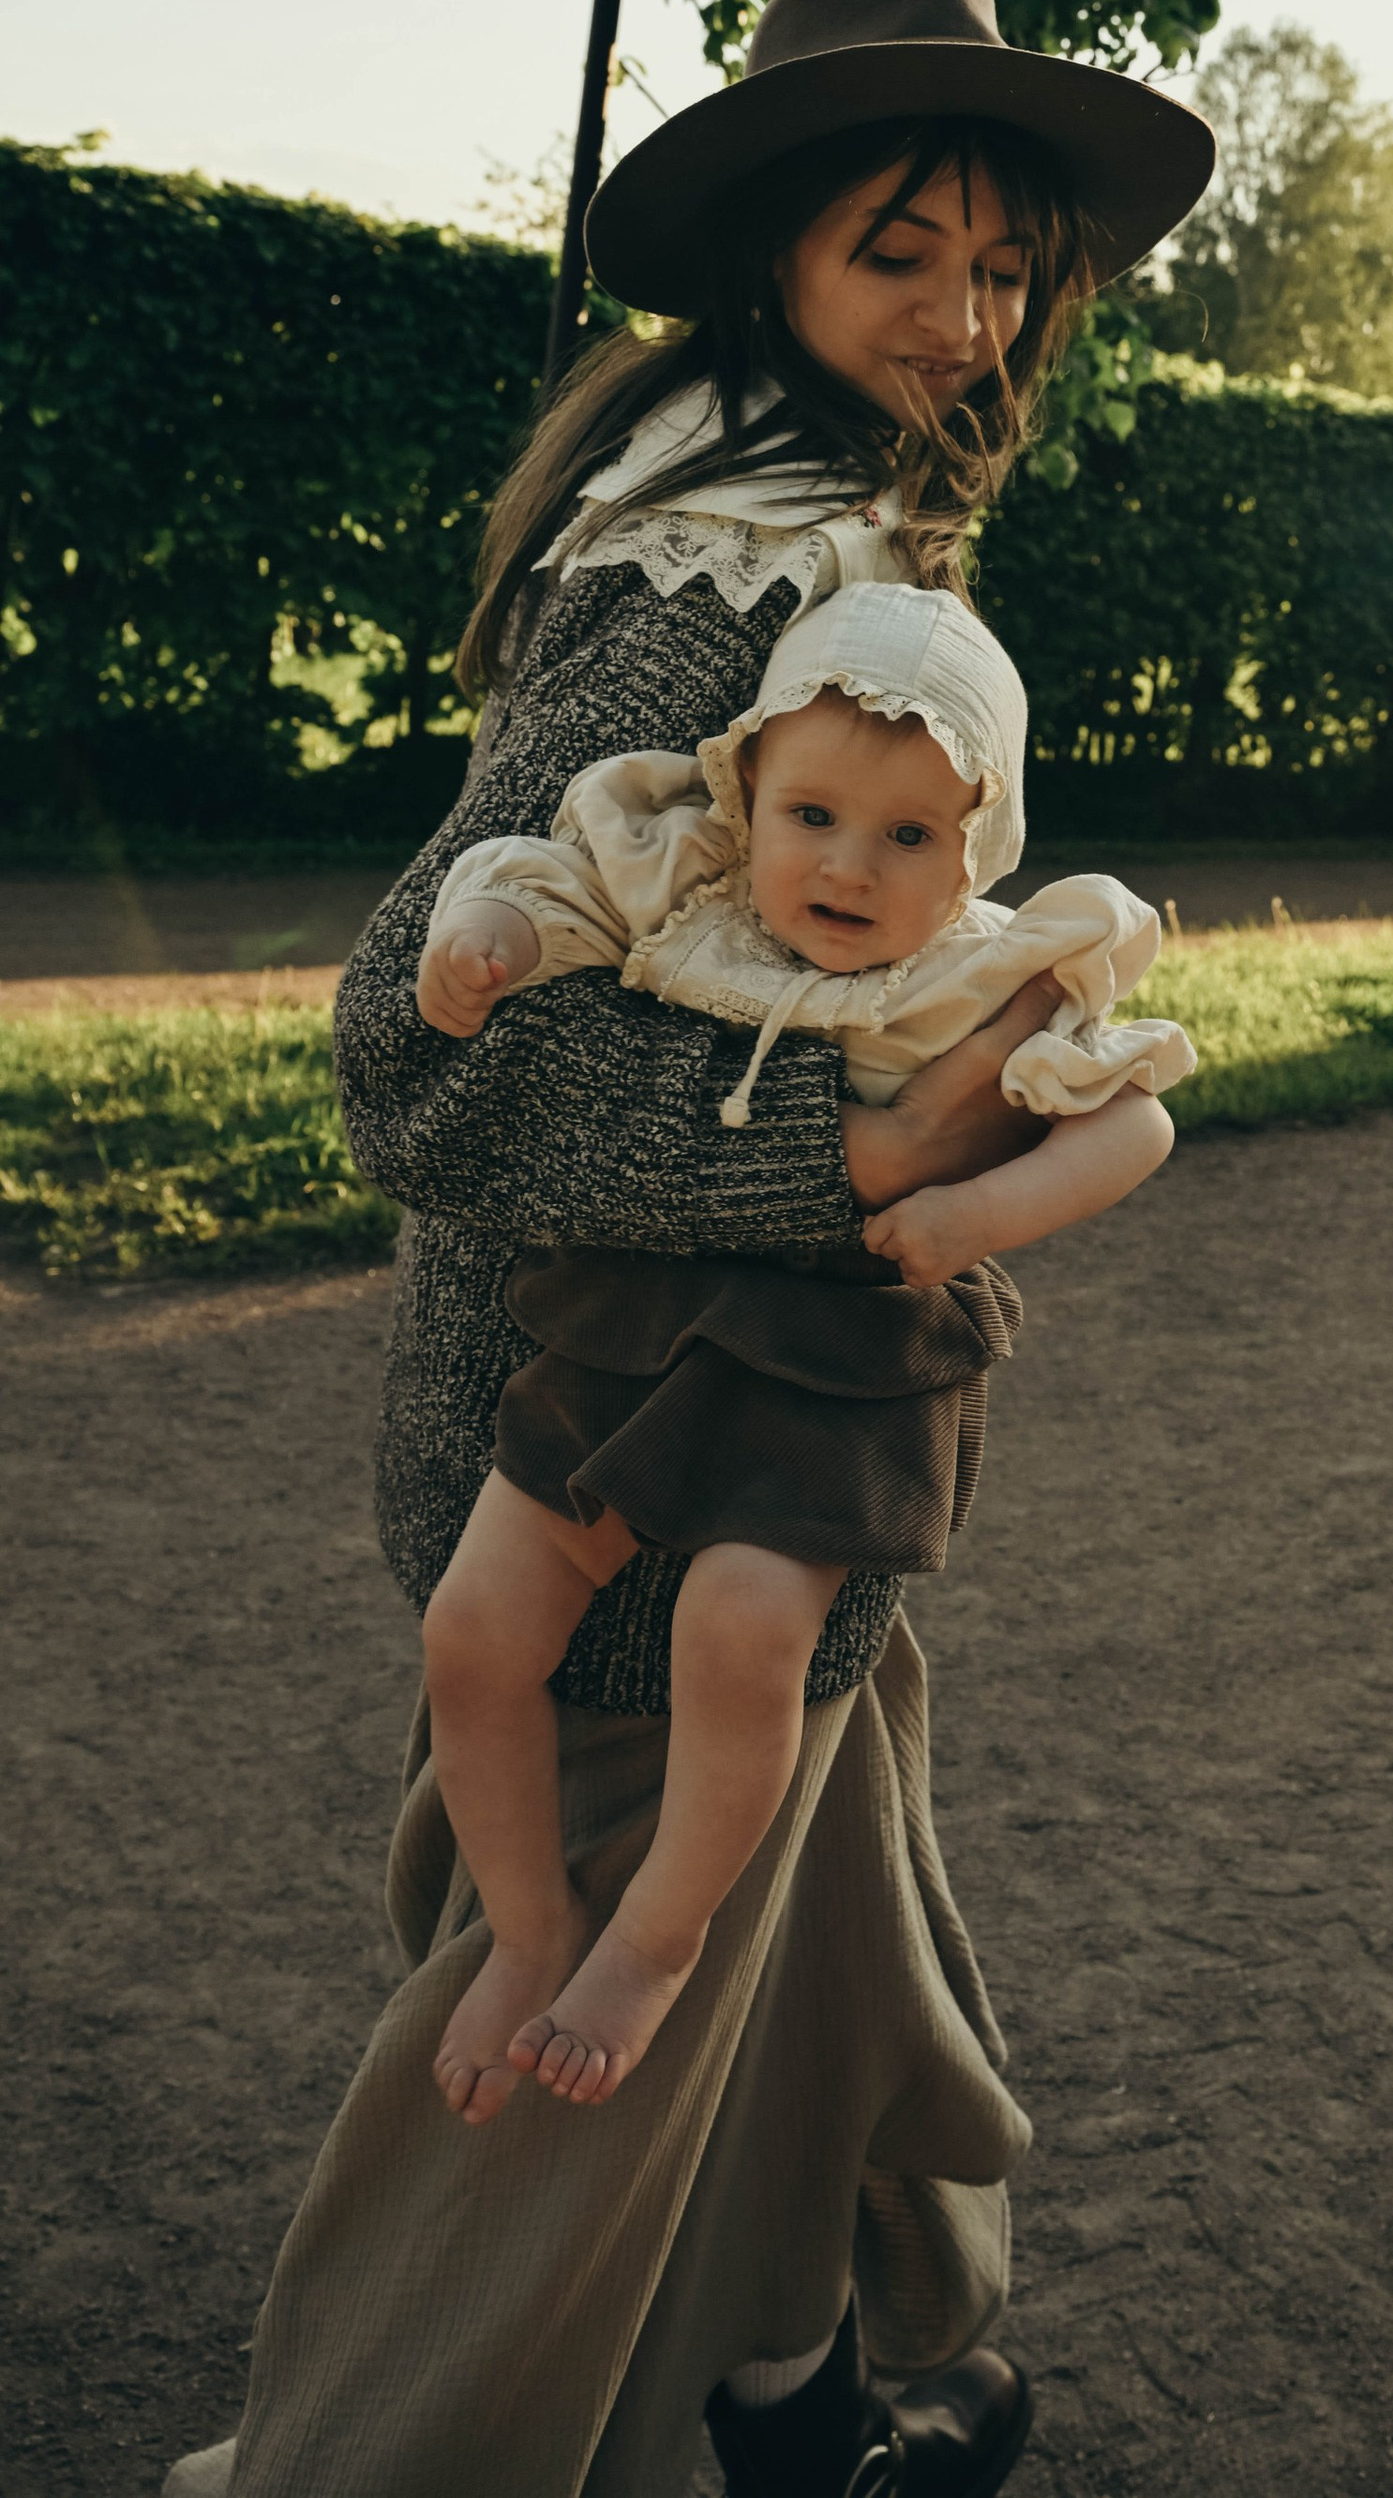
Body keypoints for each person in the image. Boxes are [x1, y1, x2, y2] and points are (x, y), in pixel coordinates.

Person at [168, 0, 1213, 2498]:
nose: (963, 319)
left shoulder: (825, 534)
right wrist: (851, 1167)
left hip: (773, 1431)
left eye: (1001, 269)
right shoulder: (708, 585)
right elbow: (408, 1051)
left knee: (809, 1959)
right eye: (904, 255)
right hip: (636, 1443)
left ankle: (797, 2407)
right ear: (776, 256)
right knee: (542, 2105)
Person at [410, 579, 1192, 2124]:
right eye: (815, 813)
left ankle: (651, 1938)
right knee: (474, 1634)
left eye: (909, 837)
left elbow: (1139, 1120)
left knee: (743, 1632)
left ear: (977, 852)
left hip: (841, 1356)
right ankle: (525, 1930)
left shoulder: (976, 973)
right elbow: (538, 881)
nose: (847, 864)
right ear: (746, 791)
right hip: (639, 1321)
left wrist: (979, 1218)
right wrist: (483, 941)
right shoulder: (685, 886)